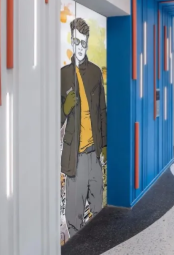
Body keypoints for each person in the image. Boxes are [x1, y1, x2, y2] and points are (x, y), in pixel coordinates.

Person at [61, 18, 107, 237]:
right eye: (77, 42)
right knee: (74, 217)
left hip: (94, 155)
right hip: (75, 157)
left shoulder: (96, 73)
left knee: (98, 209)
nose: (80, 47)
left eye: (84, 43)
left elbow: (102, 112)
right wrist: (65, 108)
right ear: (72, 41)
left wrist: (104, 147)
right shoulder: (63, 75)